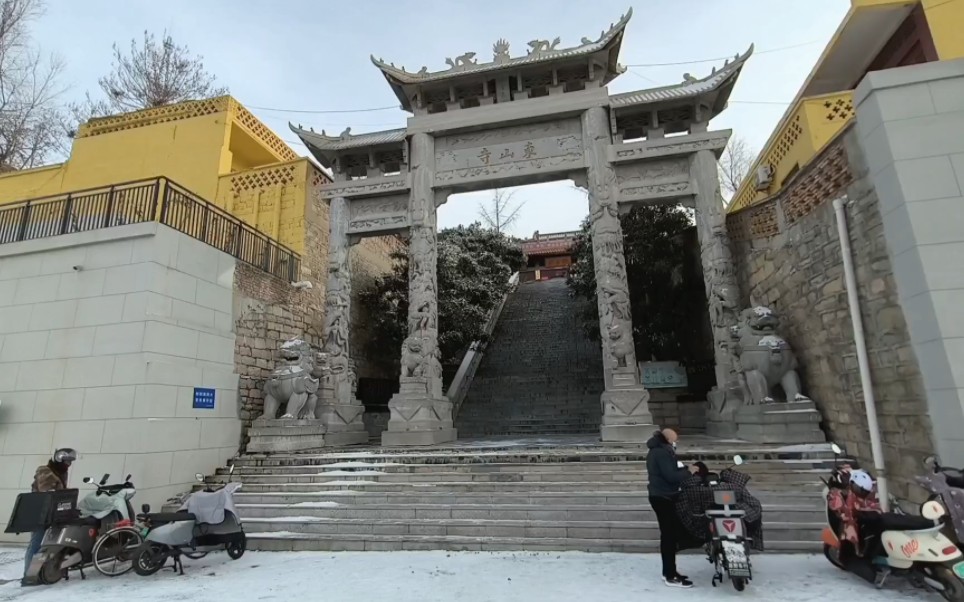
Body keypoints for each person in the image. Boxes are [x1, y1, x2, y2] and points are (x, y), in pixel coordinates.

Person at [647, 428, 699, 588]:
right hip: (663, 497)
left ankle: (670, 571)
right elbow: (670, 476)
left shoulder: (660, 451)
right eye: (674, 440)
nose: (675, 443)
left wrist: (683, 470)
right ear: (668, 440)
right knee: (669, 536)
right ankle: (670, 575)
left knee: (672, 534)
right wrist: (689, 471)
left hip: (664, 495)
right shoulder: (661, 453)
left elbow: (671, 471)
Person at [22, 448, 76, 586]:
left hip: (53, 513)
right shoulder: (45, 471)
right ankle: (29, 576)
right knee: (36, 544)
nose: (68, 465)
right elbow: (47, 492)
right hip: (40, 513)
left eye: (70, 462)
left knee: (49, 544)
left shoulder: (60, 472)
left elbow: (60, 493)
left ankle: (45, 572)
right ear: (59, 459)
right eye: (66, 461)